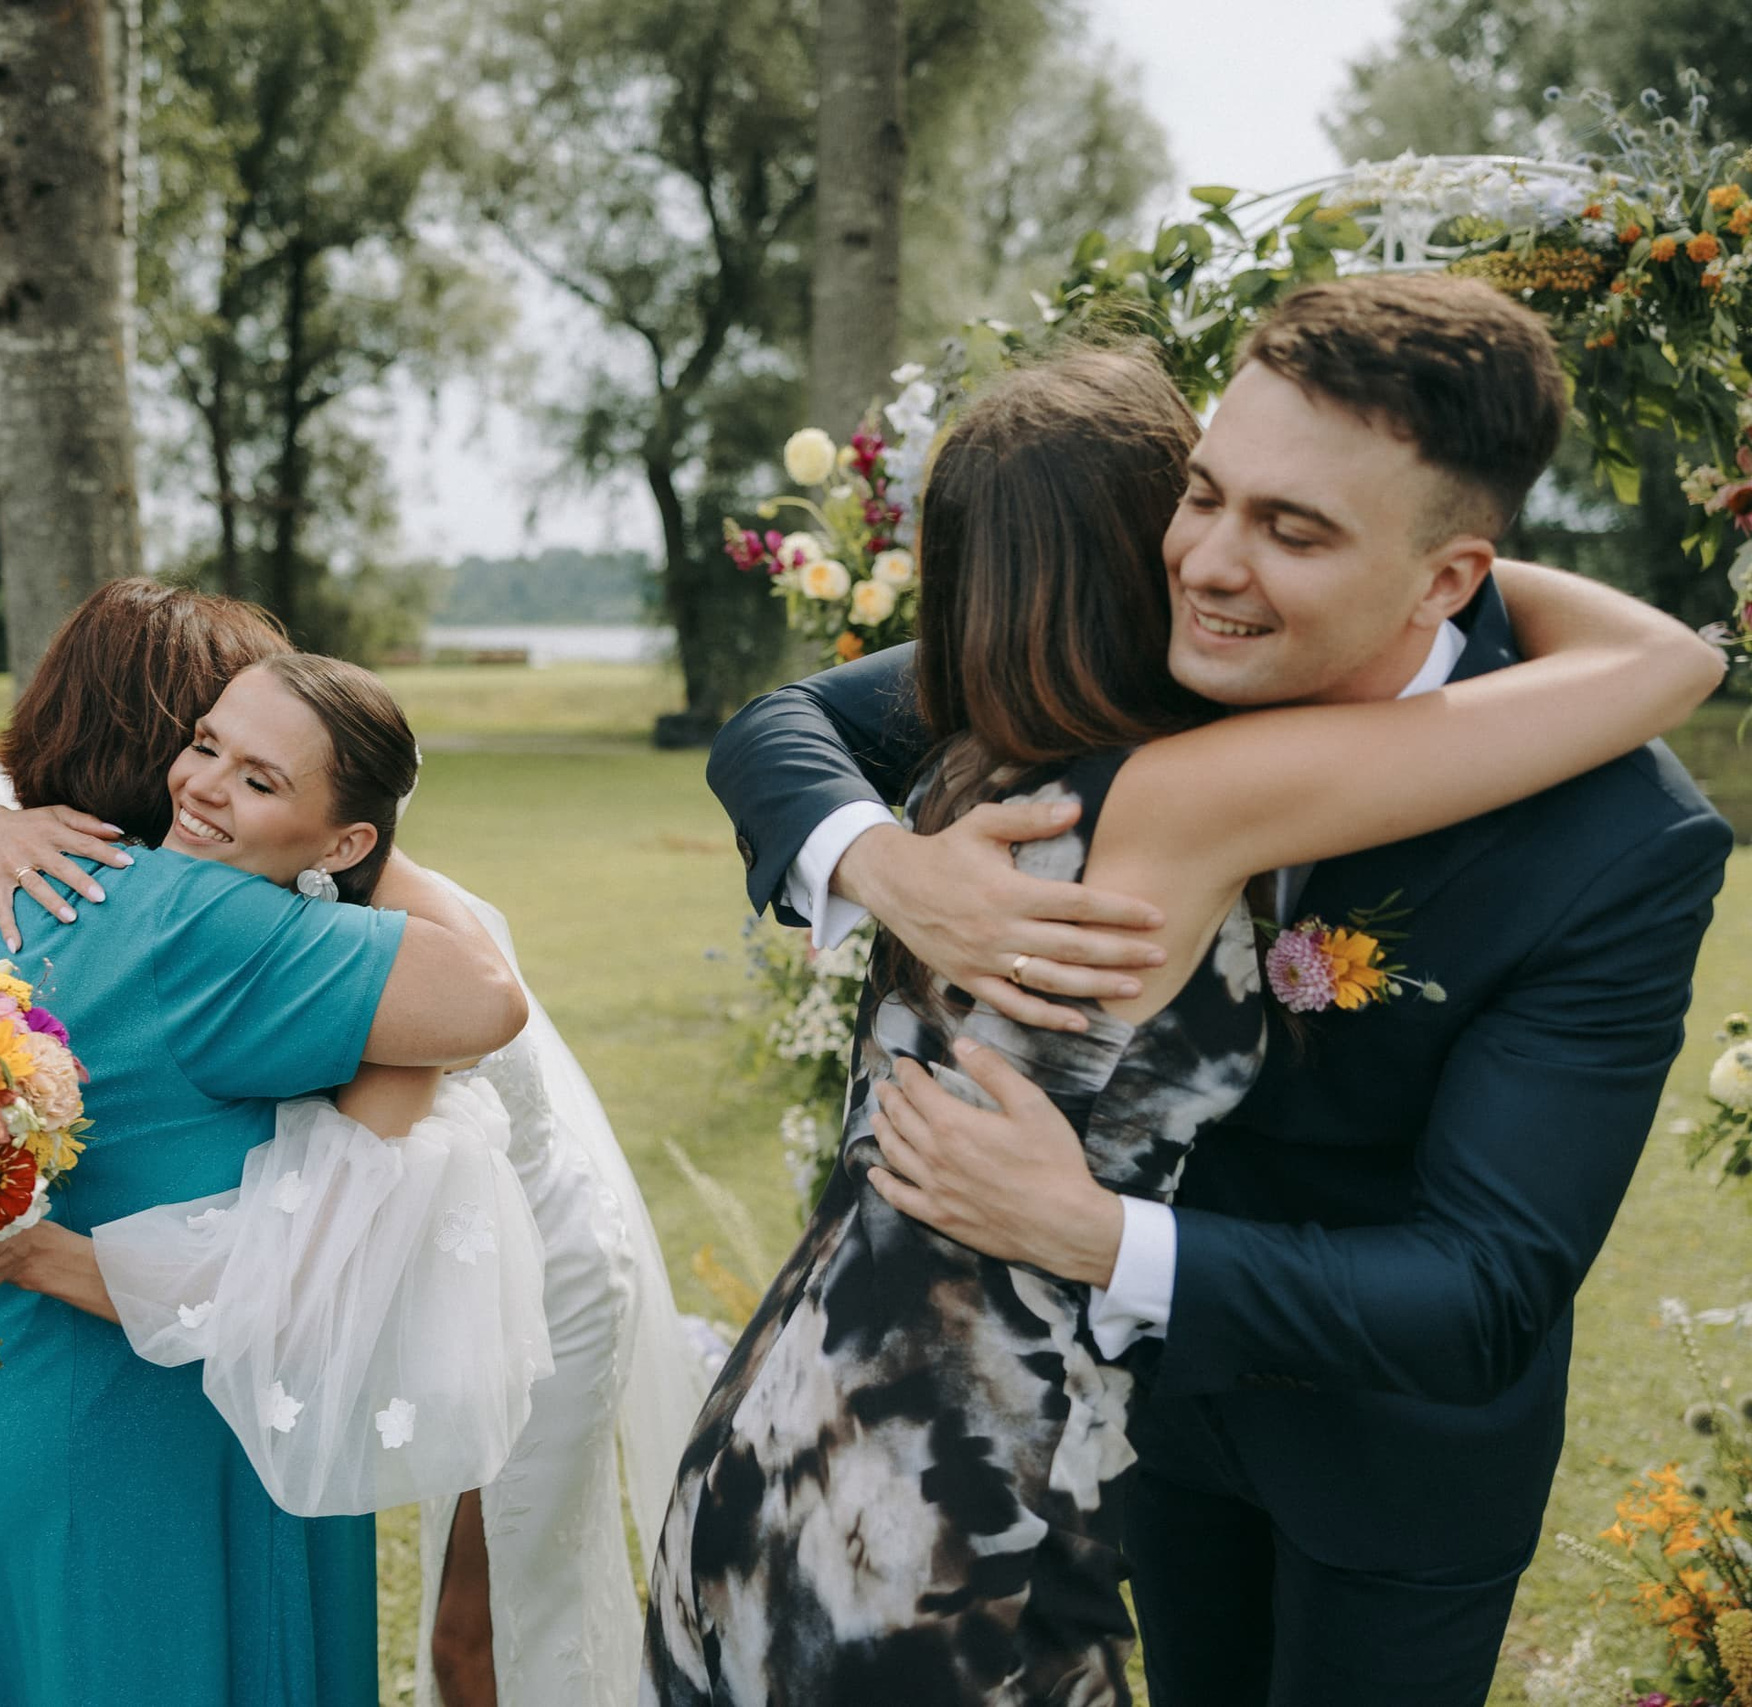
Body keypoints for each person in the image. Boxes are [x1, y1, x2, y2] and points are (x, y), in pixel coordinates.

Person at [655, 290, 1730, 1707]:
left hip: (1382, 1459)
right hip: (1103, 1430)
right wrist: (887, 864)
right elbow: (786, 723)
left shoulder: (1620, 837)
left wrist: (1098, 1234)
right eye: (1203, 493)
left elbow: (1485, 1284)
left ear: (1450, 577)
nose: (1210, 561)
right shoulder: (1143, 642)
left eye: (1293, 526)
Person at [0, 608, 709, 1707]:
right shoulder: (203, 918)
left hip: (499, 1264)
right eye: (206, 741)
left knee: (509, 1605)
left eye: (261, 774)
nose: (206, 783)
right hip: (203, 1370)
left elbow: (350, 1184)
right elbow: (314, 1226)